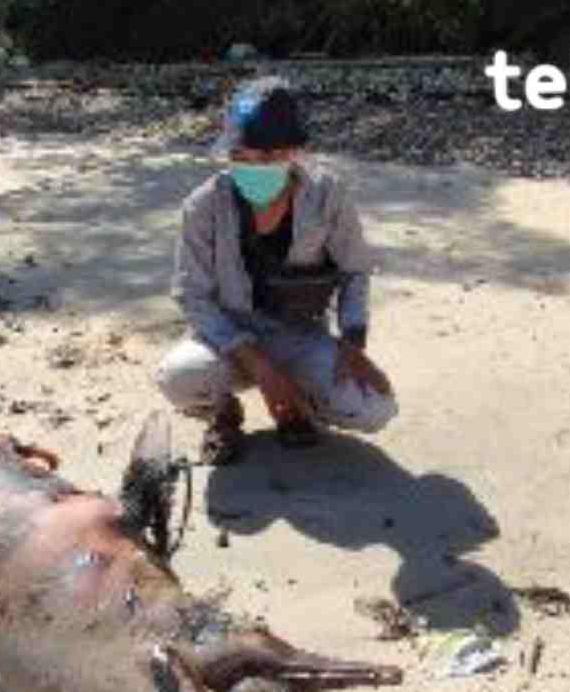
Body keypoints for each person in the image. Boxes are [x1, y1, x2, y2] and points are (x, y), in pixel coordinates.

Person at [154, 75, 397, 465]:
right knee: (179, 378)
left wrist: (353, 344)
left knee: (375, 408)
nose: (252, 168)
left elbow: (355, 271)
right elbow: (192, 295)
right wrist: (260, 367)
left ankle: (299, 407)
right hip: (229, 339)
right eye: (240, 157)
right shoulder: (202, 207)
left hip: (299, 334)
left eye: (267, 158)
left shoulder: (328, 195)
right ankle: (224, 414)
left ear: (294, 153)